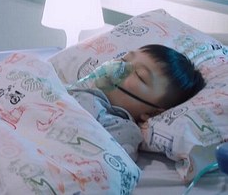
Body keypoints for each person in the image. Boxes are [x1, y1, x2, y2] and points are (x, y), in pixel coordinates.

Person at [68, 44, 205, 161]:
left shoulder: (122, 129)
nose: (120, 67)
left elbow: (104, 165)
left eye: (140, 75)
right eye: (124, 59)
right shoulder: (74, 89)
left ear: (152, 112)